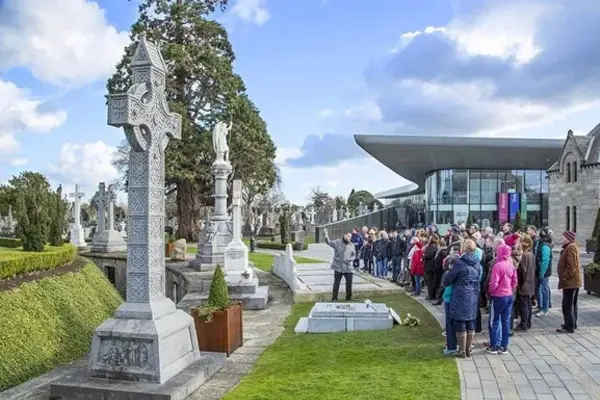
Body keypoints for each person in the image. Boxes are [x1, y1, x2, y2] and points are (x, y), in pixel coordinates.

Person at [443, 238, 481, 358]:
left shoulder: (460, 263)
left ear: (463, 248)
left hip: (460, 294)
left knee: (460, 322)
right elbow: (479, 277)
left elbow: (449, 279)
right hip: (473, 294)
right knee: (470, 321)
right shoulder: (477, 262)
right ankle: (468, 350)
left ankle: (462, 351)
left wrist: (445, 281)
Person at [486, 244, 518, 354]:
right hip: (509, 295)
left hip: (498, 296)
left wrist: (491, 292)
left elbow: (494, 283)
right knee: (506, 321)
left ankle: (494, 346)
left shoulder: (497, 266)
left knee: (494, 320)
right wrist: (509, 289)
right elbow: (515, 282)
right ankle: (504, 346)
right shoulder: (511, 266)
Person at [556, 230, 582, 333]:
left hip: (571, 282)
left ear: (568, 238)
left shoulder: (571, 247)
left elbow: (572, 266)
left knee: (567, 304)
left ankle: (569, 326)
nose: (562, 238)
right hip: (572, 281)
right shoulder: (570, 247)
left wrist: (564, 276)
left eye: (563, 237)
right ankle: (571, 323)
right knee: (571, 304)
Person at [323, 228, 356, 302]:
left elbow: (354, 255)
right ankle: (334, 298)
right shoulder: (337, 242)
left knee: (349, 283)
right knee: (336, 283)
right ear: (344, 235)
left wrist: (350, 259)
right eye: (348, 236)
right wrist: (326, 235)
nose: (349, 238)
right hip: (338, 267)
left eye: (350, 237)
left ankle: (349, 298)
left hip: (348, 267)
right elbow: (329, 242)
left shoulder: (352, 245)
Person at [516, 235, 536, 331]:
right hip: (530, 283)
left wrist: (520, 283)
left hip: (524, 284)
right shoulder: (531, 254)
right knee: (528, 303)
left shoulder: (524, 255)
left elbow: (523, 271)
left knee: (524, 304)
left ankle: (523, 323)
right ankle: (528, 322)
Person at [535, 228, 553, 317]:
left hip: (543, 271)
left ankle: (545, 309)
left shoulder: (545, 245)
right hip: (538, 270)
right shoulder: (540, 243)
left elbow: (545, 260)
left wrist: (542, 272)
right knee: (538, 288)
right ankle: (541, 306)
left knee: (544, 289)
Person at [423, 235, 439, 300]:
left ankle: (431, 296)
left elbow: (429, 255)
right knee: (431, 281)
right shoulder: (435, 245)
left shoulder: (432, 246)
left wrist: (424, 256)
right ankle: (432, 295)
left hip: (430, 265)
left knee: (430, 282)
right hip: (432, 265)